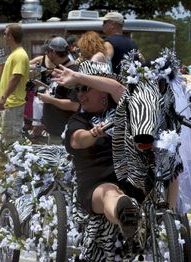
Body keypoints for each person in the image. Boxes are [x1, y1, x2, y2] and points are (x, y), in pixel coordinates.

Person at [52, 62, 140, 238]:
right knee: (110, 193)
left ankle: (168, 220)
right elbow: (77, 140)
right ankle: (126, 215)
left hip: (131, 178)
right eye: (78, 90)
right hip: (97, 183)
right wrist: (92, 134)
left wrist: (78, 77)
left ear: (102, 89)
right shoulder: (79, 119)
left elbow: (119, 90)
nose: (80, 95)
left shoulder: (122, 109)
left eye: (86, 89)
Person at [35, 37, 79, 144]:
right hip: (54, 131)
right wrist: (46, 87)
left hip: (63, 134)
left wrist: (50, 100)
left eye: (48, 52)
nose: (47, 55)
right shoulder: (60, 69)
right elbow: (59, 93)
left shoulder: (72, 72)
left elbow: (74, 105)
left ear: (53, 52)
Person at [0, 23, 30, 145]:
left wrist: (4, 97)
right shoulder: (14, 53)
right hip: (10, 103)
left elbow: (16, 78)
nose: (4, 36)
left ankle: (15, 163)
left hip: (13, 103)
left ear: (11, 36)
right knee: (8, 136)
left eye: (5, 34)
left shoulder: (20, 55)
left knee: (12, 138)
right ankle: (13, 162)